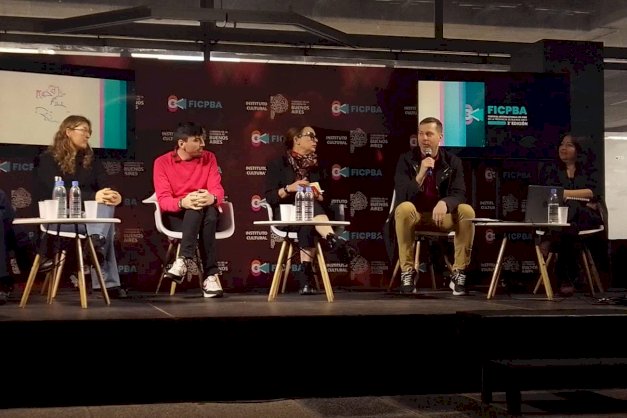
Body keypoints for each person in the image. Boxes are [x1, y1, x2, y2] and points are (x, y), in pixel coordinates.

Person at [33, 115, 126, 298]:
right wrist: (94, 196)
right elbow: (51, 191)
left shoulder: (90, 158)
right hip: (59, 218)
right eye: (83, 131)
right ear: (68, 132)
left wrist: (115, 195)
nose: (87, 136)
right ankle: (105, 277)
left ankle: (95, 241)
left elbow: (105, 183)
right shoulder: (47, 159)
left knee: (105, 205)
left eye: (89, 132)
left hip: (87, 217)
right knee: (104, 222)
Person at [385, 116, 475, 296]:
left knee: (467, 211)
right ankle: (407, 272)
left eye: (429, 134)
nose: (424, 138)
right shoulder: (406, 160)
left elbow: (460, 194)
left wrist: (444, 202)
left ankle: (458, 273)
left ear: (440, 137)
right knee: (403, 208)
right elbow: (402, 196)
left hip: (441, 218)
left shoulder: (452, 162)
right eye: (420, 133)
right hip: (415, 217)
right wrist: (420, 174)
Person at [264, 125, 357, 295]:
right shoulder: (277, 164)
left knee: (308, 220)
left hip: (313, 216)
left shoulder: (319, 166)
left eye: (316, 137)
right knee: (307, 214)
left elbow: (329, 198)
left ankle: (305, 278)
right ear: (296, 139)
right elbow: (269, 197)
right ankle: (333, 239)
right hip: (288, 215)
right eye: (311, 136)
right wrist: (289, 188)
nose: (316, 140)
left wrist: (318, 196)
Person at [153, 122, 225, 298]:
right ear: (181, 144)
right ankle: (210, 276)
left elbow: (217, 189)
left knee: (202, 207)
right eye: (197, 140)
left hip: (206, 211)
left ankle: (182, 261)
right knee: (198, 208)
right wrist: (183, 202)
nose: (203, 144)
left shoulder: (209, 158)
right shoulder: (162, 162)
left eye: (203, 140)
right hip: (177, 216)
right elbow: (163, 200)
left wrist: (212, 198)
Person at [540, 133, 604, 295]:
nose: (563, 148)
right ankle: (567, 277)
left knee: (572, 209)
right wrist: (576, 196)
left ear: (578, 150)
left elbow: (593, 192)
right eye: (562, 144)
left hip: (587, 217)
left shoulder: (589, 169)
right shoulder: (551, 170)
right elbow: (549, 193)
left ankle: (550, 238)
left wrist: (566, 194)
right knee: (569, 226)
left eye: (569, 145)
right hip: (564, 218)